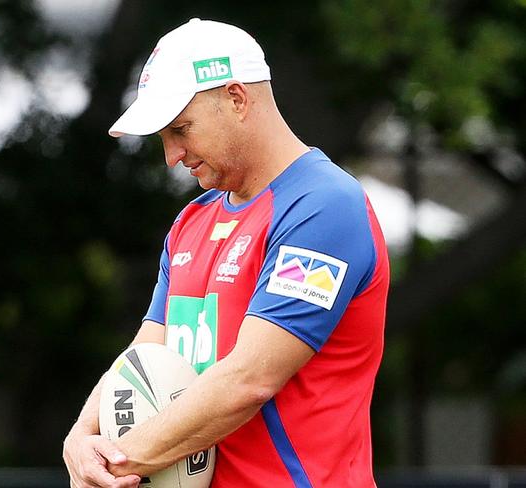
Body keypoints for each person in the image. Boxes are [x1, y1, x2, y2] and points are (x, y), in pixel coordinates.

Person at [63, 18, 389, 488]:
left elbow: (248, 381)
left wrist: (113, 463)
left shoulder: (323, 206)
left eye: (181, 128)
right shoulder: (191, 222)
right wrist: (81, 436)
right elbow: (141, 355)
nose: (171, 155)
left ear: (236, 99)